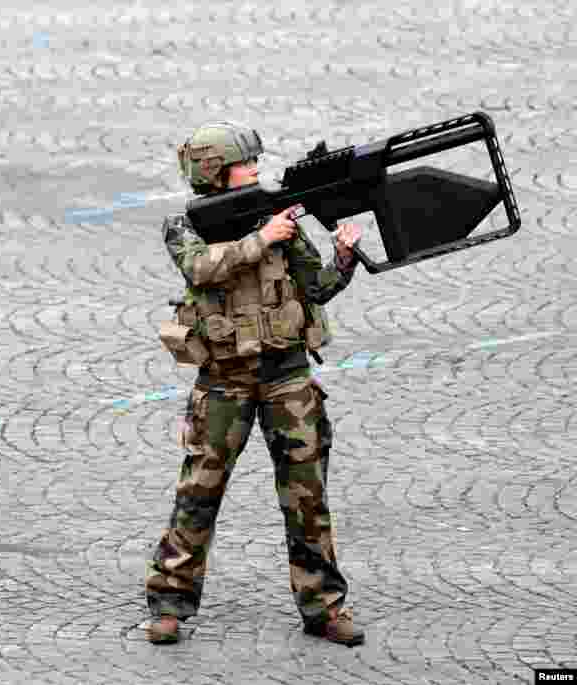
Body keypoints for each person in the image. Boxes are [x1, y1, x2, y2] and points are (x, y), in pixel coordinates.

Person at [145, 122, 365, 646]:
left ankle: (324, 606)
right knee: (199, 492)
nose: (257, 170)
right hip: (224, 381)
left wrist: (344, 258)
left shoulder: (279, 219)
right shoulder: (185, 225)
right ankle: (170, 602)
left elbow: (316, 286)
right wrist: (260, 240)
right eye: (247, 163)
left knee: (306, 494)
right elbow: (199, 268)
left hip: (288, 374)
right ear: (216, 173)